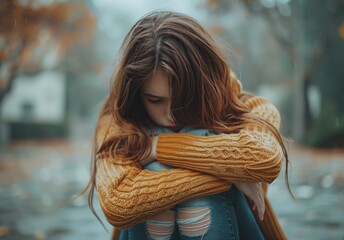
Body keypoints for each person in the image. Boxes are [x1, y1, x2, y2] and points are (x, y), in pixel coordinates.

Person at [88, 11, 291, 240]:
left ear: (204, 85)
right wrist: (232, 176)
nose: (172, 115)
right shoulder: (118, 122)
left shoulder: (249, 107)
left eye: (185, 99)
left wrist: (156, 148)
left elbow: (264, 159)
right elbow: (120, 201)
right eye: (155, 100)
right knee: (151, 188)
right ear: (136, 93)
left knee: (181, 182)